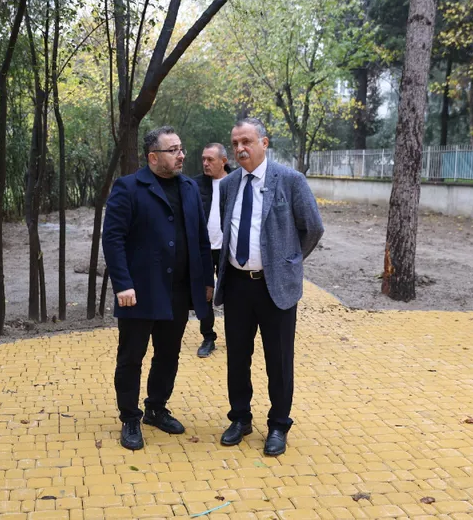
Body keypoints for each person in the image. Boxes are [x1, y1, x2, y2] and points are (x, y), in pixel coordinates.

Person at [214, 118, 324, 456]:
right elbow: (228, 230)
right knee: (237, 357)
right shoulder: (228, 184)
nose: (240, 148)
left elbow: (313, 228)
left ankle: (278, 424)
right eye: (235, 143)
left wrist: (288, 261)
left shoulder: (290, 180)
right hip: (237, 286)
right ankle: (240, 418)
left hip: (275, 287)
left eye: (246, 141)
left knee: (279, 359)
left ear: (264, 143)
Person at [103, 125, 215, 451]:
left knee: (168, 354)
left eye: (181, 148)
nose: (181, 155)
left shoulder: (189, 188)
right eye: (173, 150)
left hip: (178, 291)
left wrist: (206, 281)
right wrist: (122, 284)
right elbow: (113, 239)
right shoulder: (129, 187)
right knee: (131, 357)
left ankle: (156, 408)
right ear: (153, 157)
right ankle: (130, 417)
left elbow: (201, 238)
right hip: (139, 292)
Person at [193, 143, 232, 357]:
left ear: (223, 161)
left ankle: (236, 336)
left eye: (210, 159)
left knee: (233, 294)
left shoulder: (236, 181)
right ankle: (208, 337)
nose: (205, 163)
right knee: (204, 294)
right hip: (204, 250)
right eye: (203, 159)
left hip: (229, 250)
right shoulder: (195, 185)